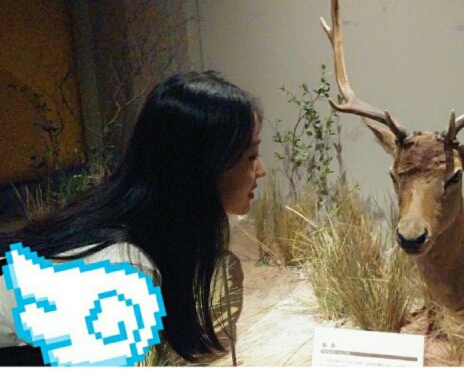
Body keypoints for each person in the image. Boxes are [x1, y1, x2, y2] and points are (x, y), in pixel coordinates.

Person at [0, 71, 267, 365]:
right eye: (251, 156)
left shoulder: (144, 235)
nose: (262, 170)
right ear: (203, 166)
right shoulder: (121, 270)